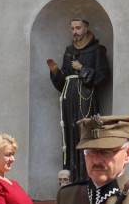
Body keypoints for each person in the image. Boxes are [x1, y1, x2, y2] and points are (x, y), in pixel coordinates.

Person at [47, 18, 111, 182]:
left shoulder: (97, 50)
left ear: (85, 28)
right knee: (69, 133)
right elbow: (63, 83)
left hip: (87, 97)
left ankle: (86, 176)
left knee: (85, 132)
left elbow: (103, 75)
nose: (75, 31)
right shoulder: (69, 51)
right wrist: (55, 72)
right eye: (73, 28)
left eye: (78, 28)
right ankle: (70, 176)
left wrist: (82, 69)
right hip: (69, 98)